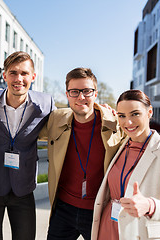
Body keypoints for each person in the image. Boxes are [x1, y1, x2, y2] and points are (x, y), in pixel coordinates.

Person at [0, 51, 55, 240]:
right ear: (4, 75)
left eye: (24, 73)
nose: (19, 78)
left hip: (23, 188)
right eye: (13, 73)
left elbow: (68, 121)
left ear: (33, 76)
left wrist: (102, 111)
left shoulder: (46, 103)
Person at [41, 67, 124, 240]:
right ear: (67, 94)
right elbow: (23, 124)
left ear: (95, 93)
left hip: (99, 210)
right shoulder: (56, 119)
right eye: (75, 92)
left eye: (87, 91)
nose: (81, 97)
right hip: (63, 209)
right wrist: (1, 96)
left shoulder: (115, 123)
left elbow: (142, 133)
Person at [91, 89, 160, 239]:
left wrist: (149, 205)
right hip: (107, 227)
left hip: (140, 231)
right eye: (121, 116)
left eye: (135, 114)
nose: (128, 122)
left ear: (149, 112)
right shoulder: (120, 145)